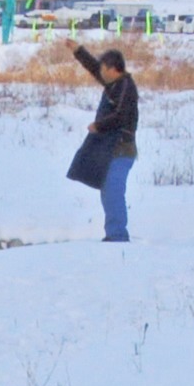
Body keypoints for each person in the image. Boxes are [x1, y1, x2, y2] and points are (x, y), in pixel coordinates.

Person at [71, 44, 139, 241]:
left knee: (113, 192)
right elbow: (93, 67)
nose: (100, 72)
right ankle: (114, 234)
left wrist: (99, 126)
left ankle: (117, 237)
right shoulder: (114, 84)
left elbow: (121, 116)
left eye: (103, 68)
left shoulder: (126, 87)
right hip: (111, 147)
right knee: (107, 190)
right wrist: (78, 51)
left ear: (112, 69)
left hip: (122, 148)